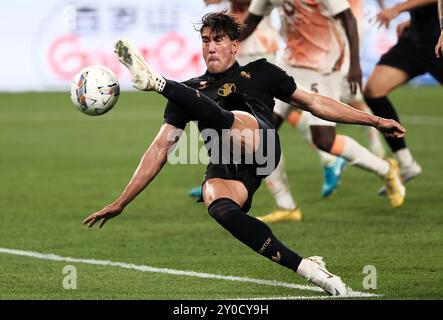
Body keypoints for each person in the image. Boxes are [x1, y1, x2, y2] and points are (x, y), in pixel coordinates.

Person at [82, 12, 406, 296]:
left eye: (218, 40)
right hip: (230, 167)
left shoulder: (262, 72)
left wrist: (374, 120)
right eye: (206, 40)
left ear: (234, 45)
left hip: (259, 141)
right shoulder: (192, 88)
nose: (211, 46)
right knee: (217, 203)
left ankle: (158, 82)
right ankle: (310, 268)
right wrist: (121, 202)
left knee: (230, 118)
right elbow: (159, 150)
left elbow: (316, 103)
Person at [240, 0, 406, 219]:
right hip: (289, 64)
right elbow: (252, 21)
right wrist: (226, 40)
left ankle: (386, 169)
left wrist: (355, 64)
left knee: (324, 140)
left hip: (324, 65)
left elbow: (348, 18)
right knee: (262, 133)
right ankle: (286, 205)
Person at [188, 0, 303, 223]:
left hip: (258, 50)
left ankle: (288, 197)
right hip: (244, 50)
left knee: (264, 131)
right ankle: (279, 198)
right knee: (260, 127)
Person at [364, 0, 442, 195]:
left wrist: (397, 9)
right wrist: (412, 19)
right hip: (417, 38)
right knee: (374, 89)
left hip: (438, 38)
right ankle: (406, 163)